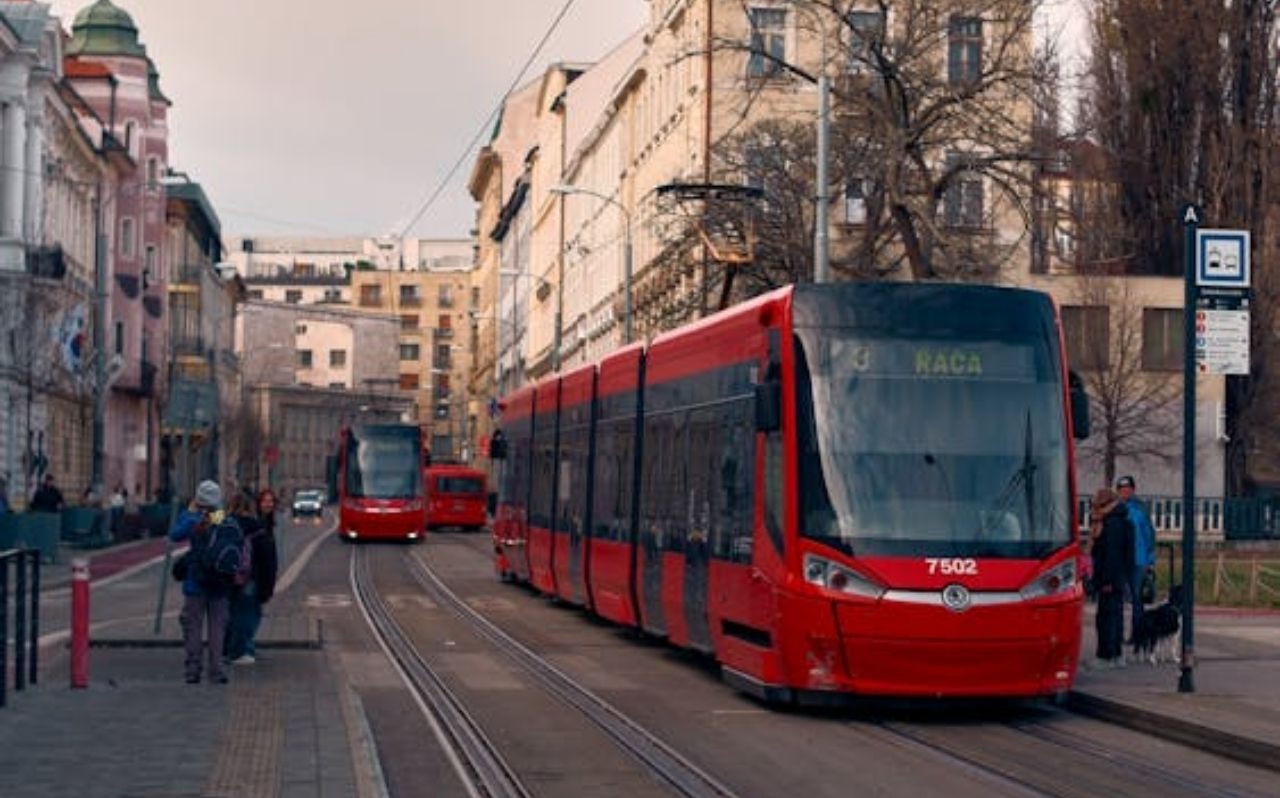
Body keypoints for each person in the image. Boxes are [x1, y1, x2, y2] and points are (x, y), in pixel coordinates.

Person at [170, 480, 235, 684]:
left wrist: (189, 512)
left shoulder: (193, 519)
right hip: (220, 581)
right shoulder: (221, 517)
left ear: (198, 500)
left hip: (195, 580)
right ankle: (216, 670)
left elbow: (174, 534)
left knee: (193, 626)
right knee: (217, 628)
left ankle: (193, 669)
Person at [225, 494, 276, 665]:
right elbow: (267, 559)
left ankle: (230, 649)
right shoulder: (256, 526)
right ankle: (241, 651)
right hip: (249, 577)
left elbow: (202, 520)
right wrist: (268, 586)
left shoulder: (224, 521)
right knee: (248, 614)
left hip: (226, 576)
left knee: (231, 613)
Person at [1091, 487, 1135, 667]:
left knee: (1106, 617)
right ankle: (1116, 654)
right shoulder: (1122, 521)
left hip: (1109, 577)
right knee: (1115, 615)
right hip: (1118, 576)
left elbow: (1110, 554)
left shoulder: (1110, 524)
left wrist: (1107, 580)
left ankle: (1106, 655)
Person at [1116, 475, 1157, 640]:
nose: (1125, 492)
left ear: (1133, 490)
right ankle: (1117, 634)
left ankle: (1137, 634)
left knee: (1137, 600)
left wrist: (1150, 560)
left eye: (1128, 489)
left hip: (1139, 560)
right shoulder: (1114, 508)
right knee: (1117, 600)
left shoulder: (1140, 508)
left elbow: (1149, 536)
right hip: (1119, 560)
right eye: (1122, 489)